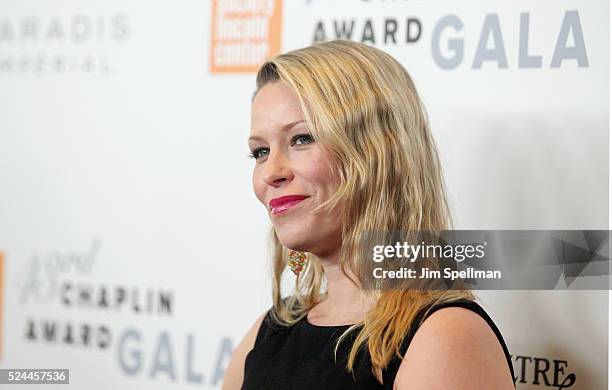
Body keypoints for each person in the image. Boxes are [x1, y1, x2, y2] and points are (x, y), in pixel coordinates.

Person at [222, 39, 515, 389]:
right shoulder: (269, 332)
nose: (271, 171)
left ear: (377, 152)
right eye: (260, 151)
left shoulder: (442, 335)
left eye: (302, 139)